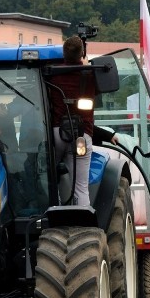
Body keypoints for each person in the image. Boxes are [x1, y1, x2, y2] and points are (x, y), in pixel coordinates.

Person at [47, 36, 96, 206]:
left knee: (49, 179)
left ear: (63, 53)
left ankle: (54, 212)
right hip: (82, 134)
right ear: (82, 53)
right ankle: (83, 224)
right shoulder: (90, 74)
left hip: (56, 131)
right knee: (81, 187)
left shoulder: (53, 74)